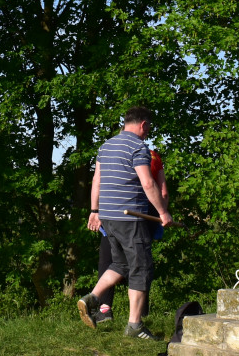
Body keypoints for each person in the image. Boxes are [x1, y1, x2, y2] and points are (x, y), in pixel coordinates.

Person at [77, 106, 172, 341]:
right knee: (141, 268)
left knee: (120, 264)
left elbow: (96, 179)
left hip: (108, 217)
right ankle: (134, 325)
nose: (147, 133)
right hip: (131, 218)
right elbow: (148, 184)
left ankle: (92, 299)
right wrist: (162, 212)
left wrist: (94, 211)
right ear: (143, 125)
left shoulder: (106, 146)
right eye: (148, 128)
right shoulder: (139, 147)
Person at [96, 144, 167, 322]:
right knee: (141, 263)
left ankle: (103, 309)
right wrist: (162, 214)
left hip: (113, 211)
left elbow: (98, 182)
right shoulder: (152, 156)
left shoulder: (110, 153)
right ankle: (140, 314)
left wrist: (95, 210)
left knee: (109, 259)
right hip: (143, 213)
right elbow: (162, 191)